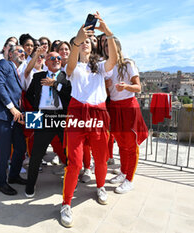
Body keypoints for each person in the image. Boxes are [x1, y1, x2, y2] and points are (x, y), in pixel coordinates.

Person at [60, 12, 117, 227]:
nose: (85, 44)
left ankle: (100, 186)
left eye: (88, 41)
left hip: (98, 113)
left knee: (101, 158)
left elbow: (114, 59)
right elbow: (71, 64)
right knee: (74, 162)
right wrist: (76, 39)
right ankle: (66, 203)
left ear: (94, 46)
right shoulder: (72, 67)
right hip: (77, 113)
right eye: (82, 42)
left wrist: (107, 31)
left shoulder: (100, 66)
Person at [104, 37, 148, 194]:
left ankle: (130, 180)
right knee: (122, 144)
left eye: (111, 46)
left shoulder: (128, 63)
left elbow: (138, 87)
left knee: (131, 144)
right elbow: (107, 92)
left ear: (118, 47)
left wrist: (126, 86)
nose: (108, 49)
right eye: (106, 47)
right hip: (115, 107)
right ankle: (123, 172)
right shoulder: (107, 67)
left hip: (129, 107)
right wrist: (106, 86)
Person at [25, 51, 71, 197]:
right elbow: (29, 94)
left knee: (68, 152)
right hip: (43, 116)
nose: (56, 60)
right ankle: (30, 185)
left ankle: (71, 182)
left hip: (61, 117)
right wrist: (37, 107)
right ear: (46, 62)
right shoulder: (38, 76)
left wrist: (55, 84)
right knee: (36, 154)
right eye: (52, 58)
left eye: (58, 58)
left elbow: (70, 95)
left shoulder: (66, 77)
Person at [0, 44, 27, 196]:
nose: (23, 53)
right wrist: (11, 107)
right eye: (19, 51)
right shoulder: (3, 64)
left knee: (21, 147)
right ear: (9, 54)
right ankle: (1, 183)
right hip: (1, 115)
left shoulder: (14, 70)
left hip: (12, 117)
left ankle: (13, 176)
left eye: (24, 52)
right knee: (4, 151)